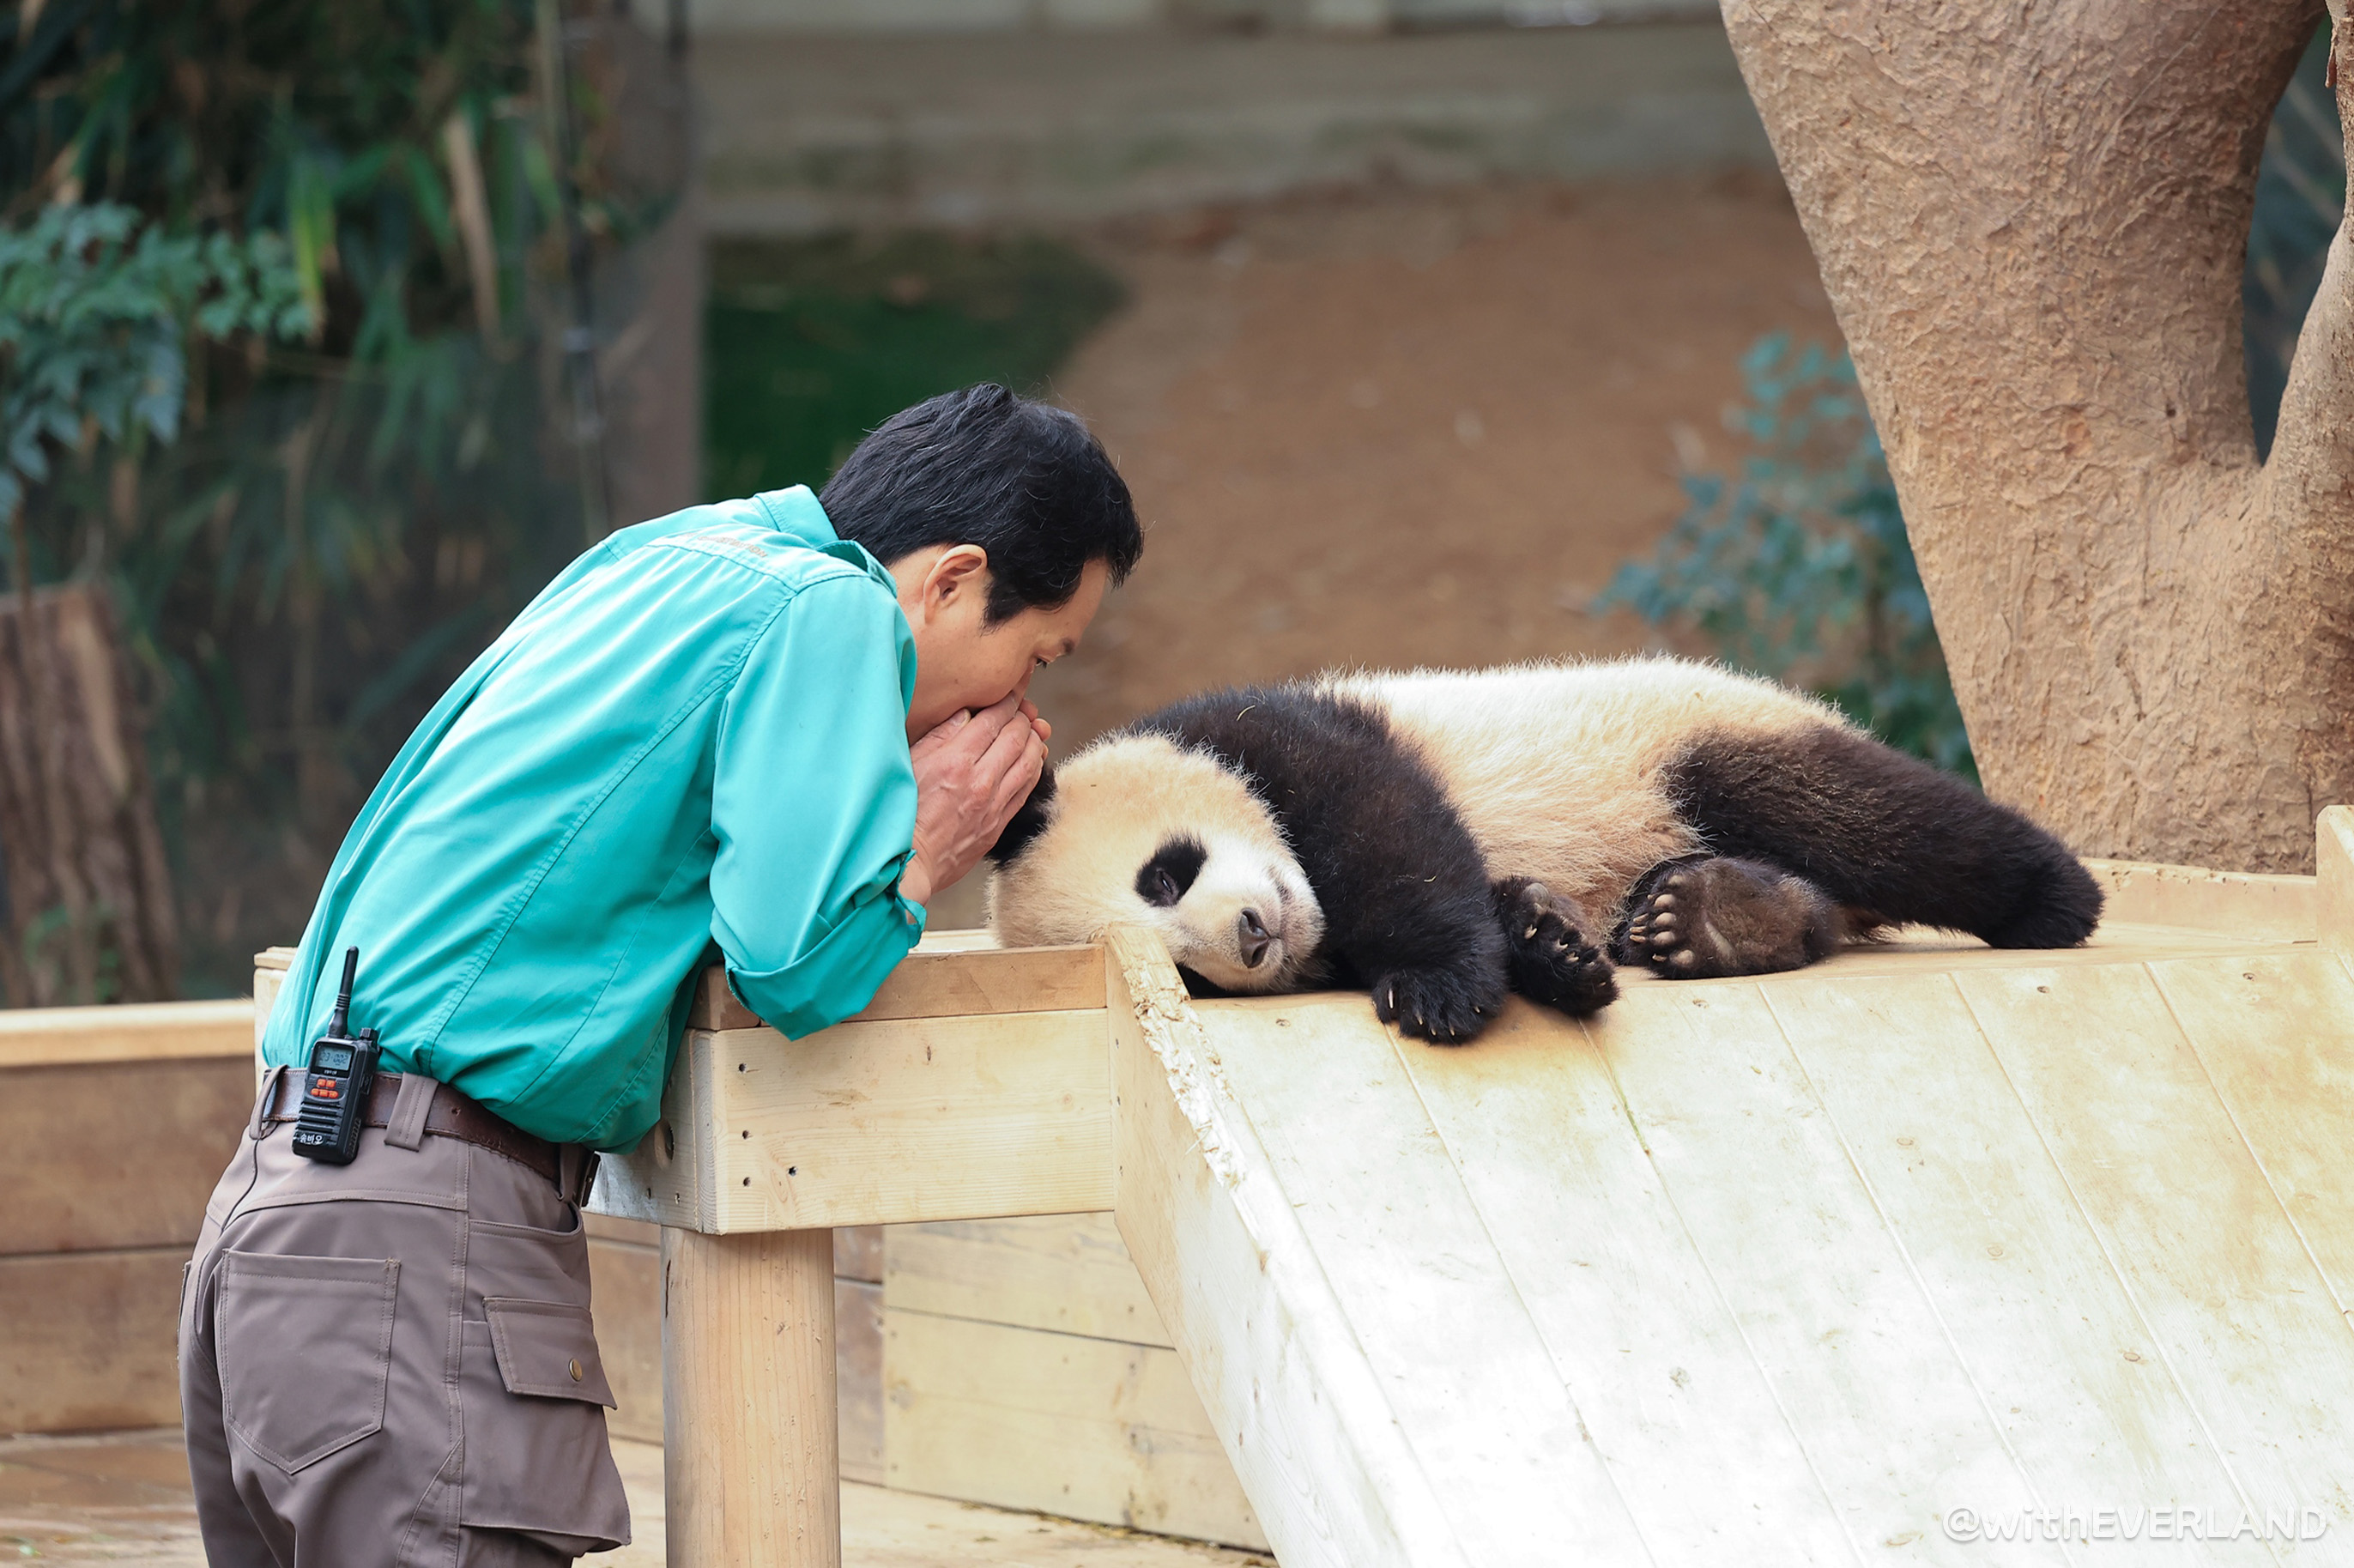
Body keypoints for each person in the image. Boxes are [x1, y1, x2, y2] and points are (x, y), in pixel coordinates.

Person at [176, 384, 1141, 1565]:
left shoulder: (661, 559)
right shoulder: (831, 606)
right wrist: (925, 852)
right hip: (417, 1255)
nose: (1021, 705)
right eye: (1034, 655)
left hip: (277, 1217)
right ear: (949, 582)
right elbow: (794, 964)